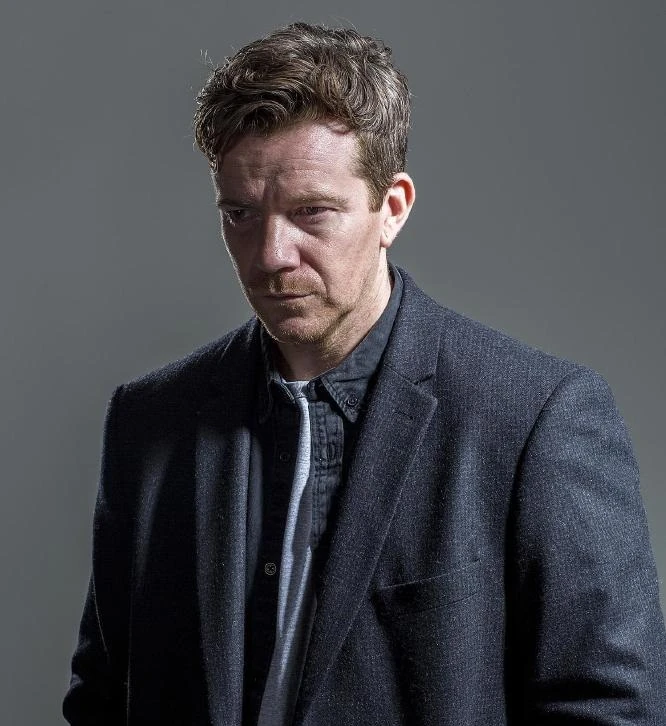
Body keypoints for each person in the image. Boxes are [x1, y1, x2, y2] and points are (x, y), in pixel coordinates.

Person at [63, 22, 666, 726]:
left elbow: (612, 709)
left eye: (311, 212)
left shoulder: (535, 418)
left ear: (393, 209)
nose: (270, 254)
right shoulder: (150, 423)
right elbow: (103, 697)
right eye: (241, 214)